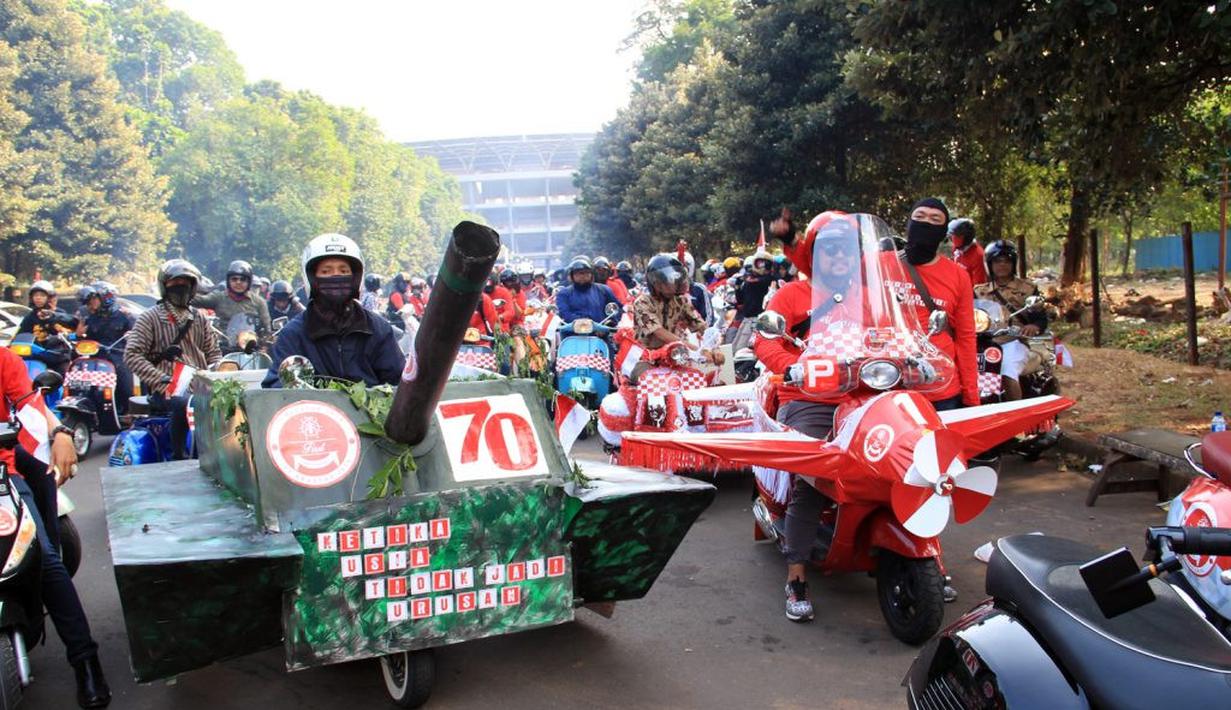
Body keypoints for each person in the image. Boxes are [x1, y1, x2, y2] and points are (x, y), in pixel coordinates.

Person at [755, 214, 864, 622]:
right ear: (814, 255)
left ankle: (928, 560)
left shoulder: (871, 297)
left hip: (864, 394)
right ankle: (797, 575)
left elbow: (897, 334)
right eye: (829, 249)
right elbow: (765, 343)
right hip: (808, 397)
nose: (838, 256)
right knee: (813, 481)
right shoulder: (791, 296)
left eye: (845, 249)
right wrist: (795, 367)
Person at [0, 346, 111, 707]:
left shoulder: (3, 359)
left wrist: (61, 430)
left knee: (43, 554)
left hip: (4, 474)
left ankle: (85, 660)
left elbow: (31, 409)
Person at [263, 233, 404, 388]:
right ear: (311, 278)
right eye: (326, 271)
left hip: (369, 412)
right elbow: (276, 388)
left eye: (343, 271)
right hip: (313, 412)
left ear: (356, 277)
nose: (336, 276)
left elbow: (400, 384)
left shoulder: (378, 329)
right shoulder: (294, 334)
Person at [881, 198, 980, 410]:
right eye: (919, 217)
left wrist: (971, 397)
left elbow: (965, 337)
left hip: (939, 387)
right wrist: (791, 240)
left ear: (944, 231)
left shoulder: (958, 276)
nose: (926, 223)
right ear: (908, 224)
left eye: (935, 219)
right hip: (884, 383)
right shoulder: (879, 263)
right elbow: (824, 268)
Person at [126, 260, 221, 459]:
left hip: (199, 385)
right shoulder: (149, 318)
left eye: (186, 282)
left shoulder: (199, 318)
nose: (181, 287)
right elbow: (132, 355)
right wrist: (162, 381)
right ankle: (180, 456)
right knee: (182, 403)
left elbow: (213, 352)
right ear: (164, 285)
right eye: (175, 282)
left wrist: (218, 375)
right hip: (167, 389)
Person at [975, 240, 1047, 401]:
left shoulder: (1027, 288)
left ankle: (1016, 415)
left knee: (1007, 371)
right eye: (997, 261)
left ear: (1014, 263)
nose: (1002, 265)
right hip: (982, 342)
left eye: (1007, 260)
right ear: (989, 264)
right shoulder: (979, 291)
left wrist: (1033, 326)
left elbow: (1040, 318)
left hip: (1012, 341)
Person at [631, 254, 723, 366]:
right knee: (644, 377)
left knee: (693, 379)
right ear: (657, 284)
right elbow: (659, 332)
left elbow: (700, 325)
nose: (675, 283)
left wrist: (714, 347)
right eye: (670, 280)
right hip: (646, 356)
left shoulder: (681, 300)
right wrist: (695, 349)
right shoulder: (642, 302)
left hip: (676, 355)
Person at [80, 282, 135, 414]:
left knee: (126, 385)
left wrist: (131, 335)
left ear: (106, 298)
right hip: (98, 358)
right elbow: (86, 338)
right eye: (90, 300)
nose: (91, 303)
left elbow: (138, 334)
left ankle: (129, 412)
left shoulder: (125, 316)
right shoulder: (92, 318)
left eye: (95, 299)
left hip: (120, 356)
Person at [193, 259, 272, 337]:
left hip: (251, 344)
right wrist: (183, 290)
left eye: (243, 279)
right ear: (228, 281)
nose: (238, 282)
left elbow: (267, 328)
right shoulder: (219, 297)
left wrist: (264, 344)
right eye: (234, 279)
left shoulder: (259, 302)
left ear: (249, 282)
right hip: (223, 344)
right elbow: (197, 300)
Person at [18, 280, 77, 374]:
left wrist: (53, 317)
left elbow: (73, 325)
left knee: (64, 378)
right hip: (36, 356)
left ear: (49, 298)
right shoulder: (30, 317)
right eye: (36, 295)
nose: (38, 298)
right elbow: (21, 335)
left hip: (58, 357)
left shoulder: (59, 314)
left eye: (42, 295)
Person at [556, 257, 622, 324]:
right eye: (579, 273)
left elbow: (617, 308)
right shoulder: (564, 293)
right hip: (572, 331)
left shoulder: (604, 290)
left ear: (592, 274)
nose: (583, 276)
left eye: (587, 273)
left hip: (601, 330)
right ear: (572, 275)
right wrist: (585, 323)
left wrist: (610, 322)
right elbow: (564, 313)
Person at [949, 218, 988, 286]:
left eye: (956, 236)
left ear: (966, 237)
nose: (952, 238)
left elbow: (978, 287)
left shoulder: (978, 256)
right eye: (951, 235)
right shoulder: (957, 248)